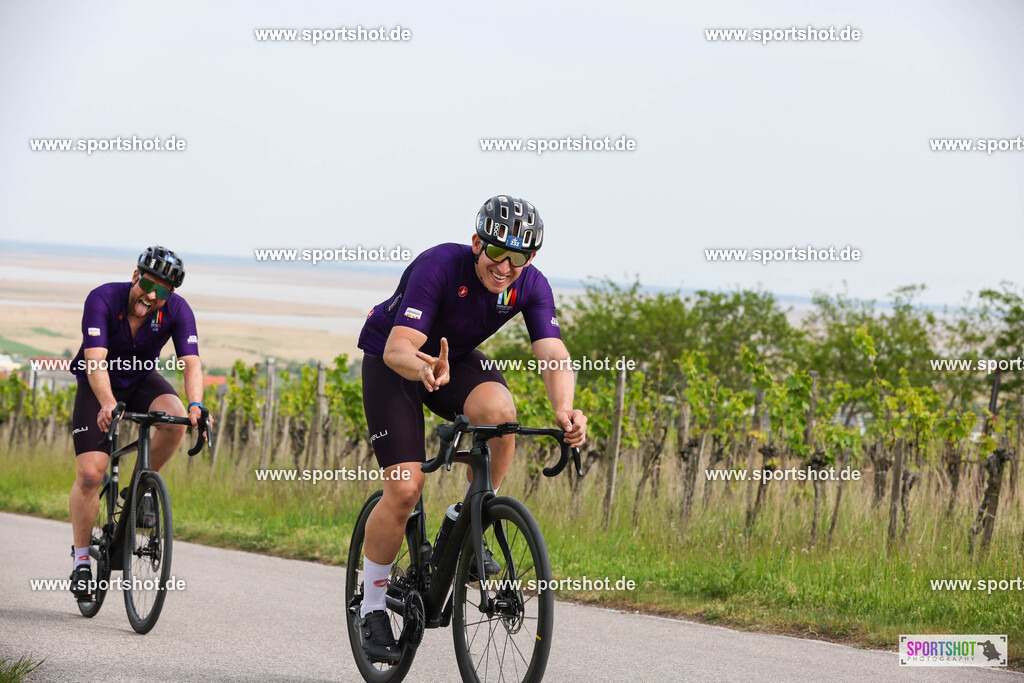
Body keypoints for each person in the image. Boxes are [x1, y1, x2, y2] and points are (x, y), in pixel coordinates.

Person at [355, 195, 588, 662]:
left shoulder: (531, 286)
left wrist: (566, 409)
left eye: (518, 258)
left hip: (451, 362)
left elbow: (553, 352)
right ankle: (373, 606)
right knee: (404, 489)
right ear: (477, 242)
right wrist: (422, 370)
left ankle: (468, 516)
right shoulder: (439, 265)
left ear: (531, 259)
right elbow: (401, 346)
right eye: (497, 253)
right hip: (395, 361)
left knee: (501, 413)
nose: (505, 267)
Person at [68, 246, 207, 599]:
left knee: (174, 418)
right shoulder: (102, 298)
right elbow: (95, 360)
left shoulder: (176, 310)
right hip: (97, 383)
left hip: (140, 379)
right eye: (148, 284)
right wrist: (107, 403)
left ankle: (140, 488)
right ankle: (81, 561)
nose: (152, 295)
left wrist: (196, 405)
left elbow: (191, 363)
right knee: (90, 474)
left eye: (162, 291)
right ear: (135, 277)